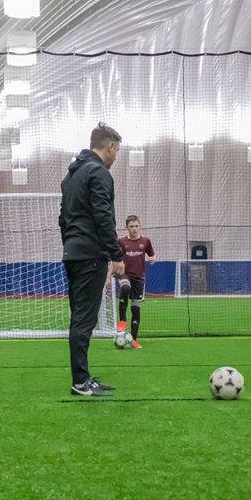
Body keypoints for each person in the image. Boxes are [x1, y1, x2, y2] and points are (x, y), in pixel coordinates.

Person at [59, 123, 125, 397]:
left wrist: (71, 245)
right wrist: (116, 254)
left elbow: (63, 219)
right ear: (109, 146)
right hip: (90, 255)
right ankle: (81, 382)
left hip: (73, 253)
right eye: (117, 151)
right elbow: (103, 216)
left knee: (80, 318)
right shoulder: (99, 172)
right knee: (84, 320)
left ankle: (82, 377)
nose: (116, 157)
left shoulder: (71, 176)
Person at [116, 215, 156, 349]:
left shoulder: (146, 241)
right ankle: (122, 321)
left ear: (140, 226)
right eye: (131, 226)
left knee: (135, 309)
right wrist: (108, 276)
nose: (134, 229)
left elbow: (152, 254)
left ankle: (133, 339)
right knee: (125, 288)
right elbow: (114, 258)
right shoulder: (121, 241)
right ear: (126, 227)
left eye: (136, 226)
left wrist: (153, 258)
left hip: (139, 278)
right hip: (123, 274)